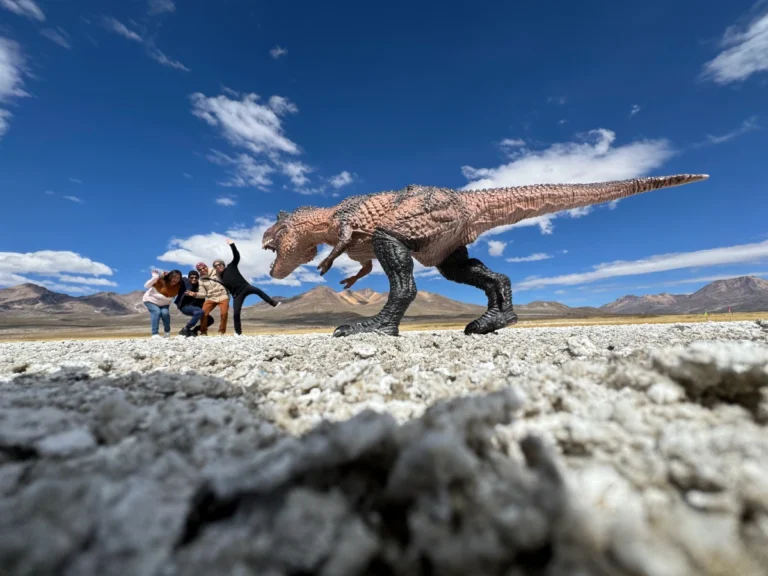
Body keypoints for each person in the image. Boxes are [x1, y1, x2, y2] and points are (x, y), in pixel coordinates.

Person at [217, 238, 280, 336]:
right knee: (236, 313)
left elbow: (236, 256)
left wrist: (232, 245)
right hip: (237, 295)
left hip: (245, 287)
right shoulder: (220, 278)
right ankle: (238, 333)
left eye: (219, 264)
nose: (218, 267)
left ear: (223, 264)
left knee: (258, 291)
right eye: (216, 266)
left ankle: (273, 303)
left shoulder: (231, 266)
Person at [188, 261, 230, 335]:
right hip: (211, 297)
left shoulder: (215, 271)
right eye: (200, 269)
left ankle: (221, 332)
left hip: (223, 295)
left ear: (206, 266)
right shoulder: (201, 280)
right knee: (203, 313)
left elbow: (225, 272)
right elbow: (203, 294)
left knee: (224, 313)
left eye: (203, 268)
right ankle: (203, 332)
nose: (202, 270)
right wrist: (195, 294)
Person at [142, 269, 183, 339]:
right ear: (169, 277)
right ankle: (155, 334)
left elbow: (171, 298)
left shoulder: (178, 286)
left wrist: (159, 296)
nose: (175, 280)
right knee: (156, 312)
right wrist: (155, 277)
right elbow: (146, 286)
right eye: (174, 277)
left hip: (164, 304)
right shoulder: (161, 280)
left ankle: (167, 332)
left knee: (165, 313)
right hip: (150, 300)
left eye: (178, 278)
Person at [173, 269, 214, 337]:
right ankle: (186, 329)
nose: (194, 279)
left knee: (210, 320)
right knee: (199, 312)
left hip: (196, 307)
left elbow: (204, 293)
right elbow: (176, 278)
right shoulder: (184, 281)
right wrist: (165, 275)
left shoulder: (200, 285)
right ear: (189, 277)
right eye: (191, 277)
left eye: (196, 277)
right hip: (185, 306)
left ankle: (195, 330)